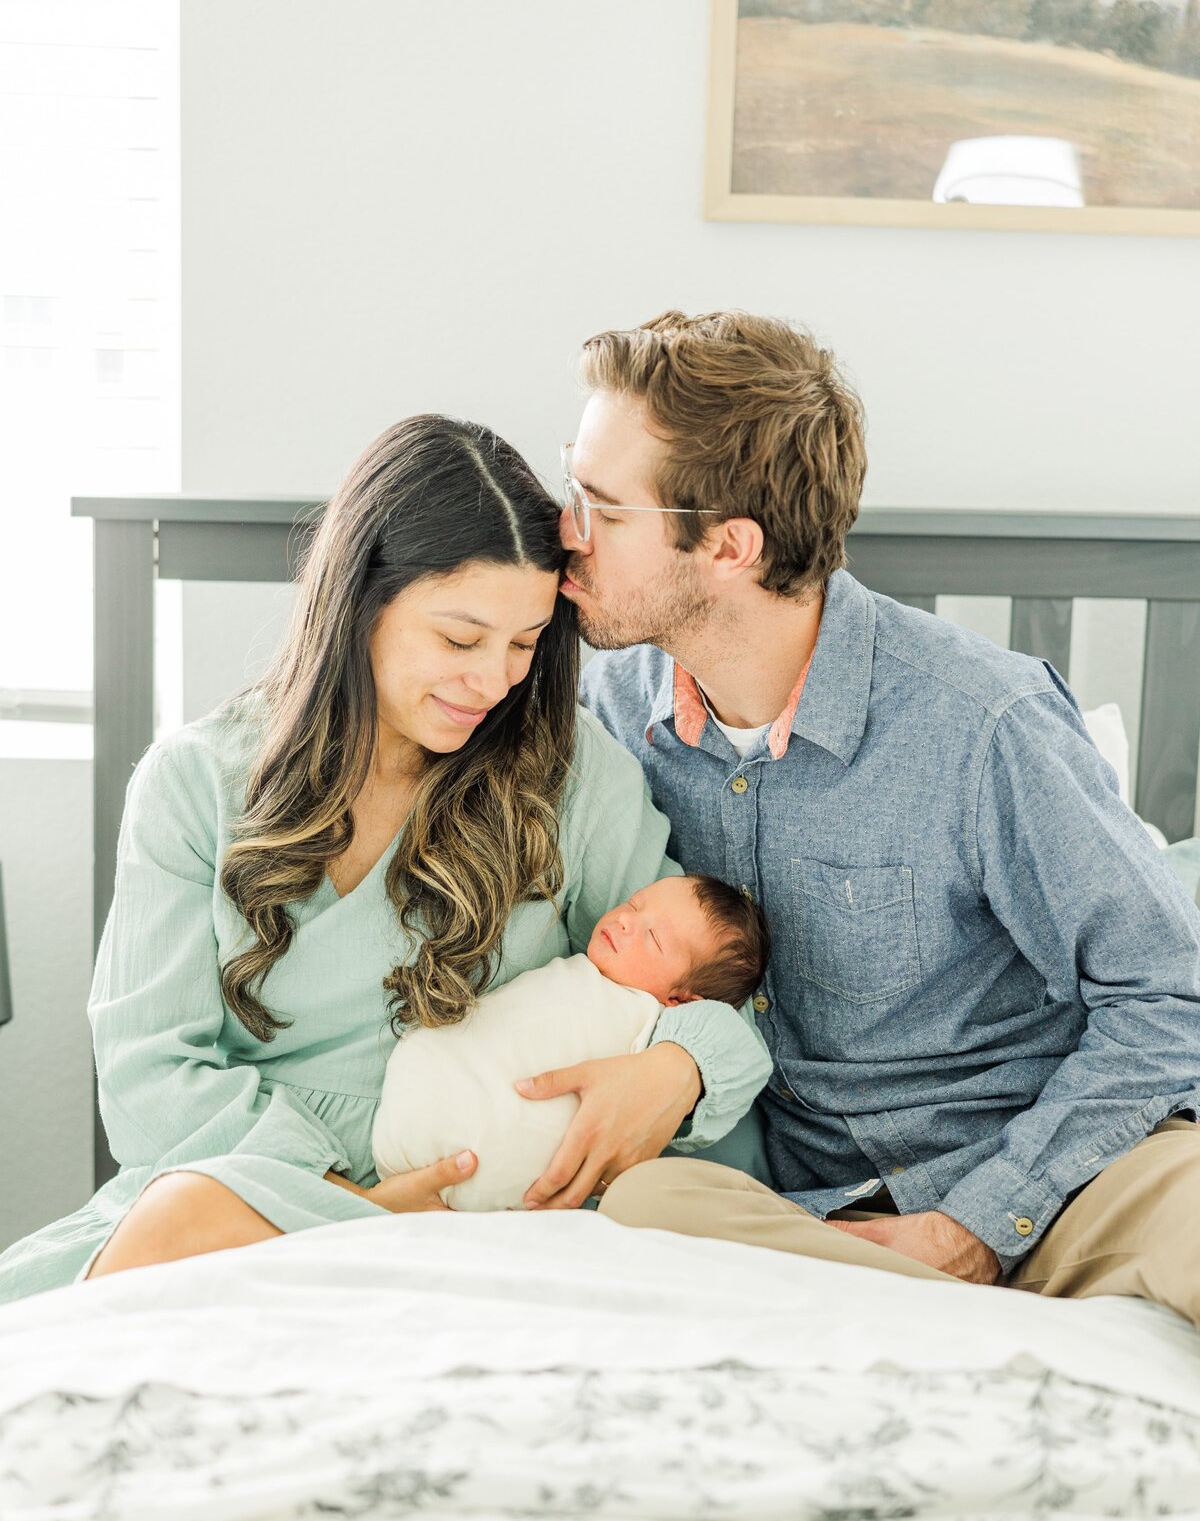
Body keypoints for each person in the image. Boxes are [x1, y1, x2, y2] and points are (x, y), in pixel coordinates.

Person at [0, 414, 772, 1303]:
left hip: (495, 1203)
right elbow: (151, 1081)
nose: (493, 682)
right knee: (178, 1222)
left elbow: (704, 985)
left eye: (524, 645)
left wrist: (681, 1067)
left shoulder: (569, 769)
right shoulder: (194, 784)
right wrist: (352, 1201)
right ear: (363, 600)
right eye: (459, 639)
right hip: (255, 1189)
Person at [562, 309, 1200, 1323]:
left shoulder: (984, 722)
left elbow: (1172, 994)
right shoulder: (610, 715)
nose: (567, 533)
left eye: (601, 506)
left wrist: (983, 1222)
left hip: (1063, 1178)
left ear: (727, 546)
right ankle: (896, 1297)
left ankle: (906, 1294)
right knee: (645, 1204)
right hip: (810, 1207)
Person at [372, 873, 771, 1211]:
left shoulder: (649, 1029)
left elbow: (741, 1053)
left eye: (653, 937)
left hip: (483, 1164)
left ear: (680, 1001)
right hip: (419, 1100)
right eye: (633, 906)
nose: (627, 922)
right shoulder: (575, 974)